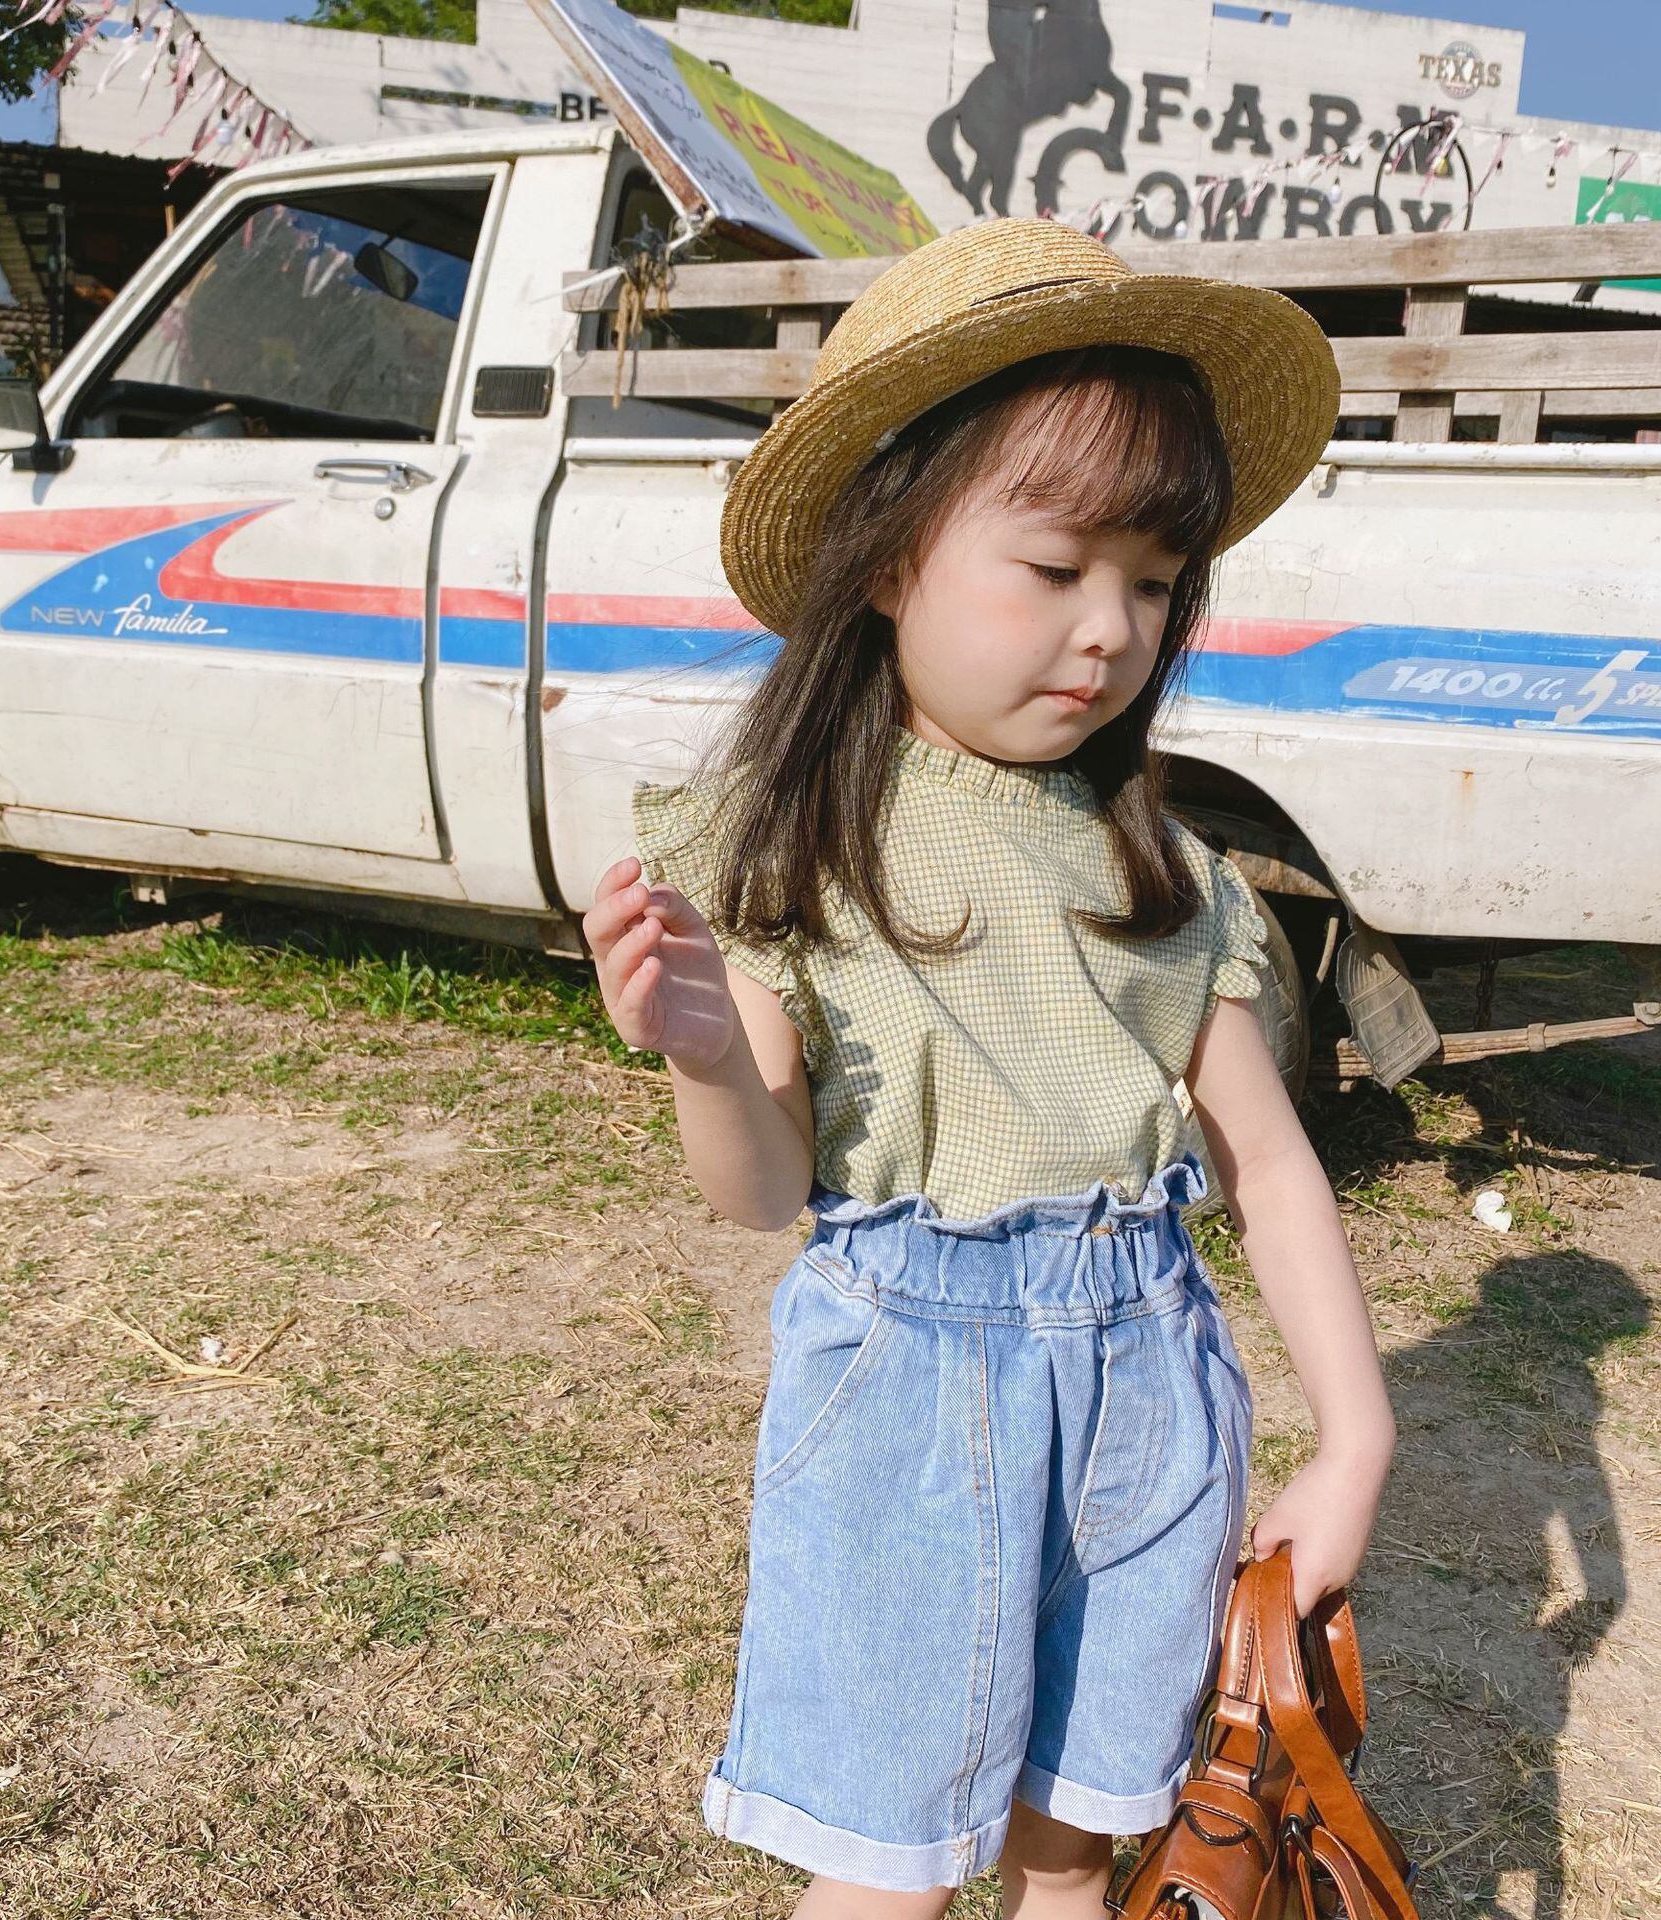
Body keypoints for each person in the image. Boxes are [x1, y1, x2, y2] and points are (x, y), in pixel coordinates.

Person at [581, 220, 1397, 1920]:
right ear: (888, 557)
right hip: (905, 1404)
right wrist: (708, 1052)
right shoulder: (782, 845)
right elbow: (762, 1193)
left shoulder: (1163, 870)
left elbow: (1267, 1163)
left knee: (1075, 1853)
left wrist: (1356, 1437)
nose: (1109, 631)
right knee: (886, 1879)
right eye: (1054, 566)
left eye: (1152, 581)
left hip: (1150, 1399)